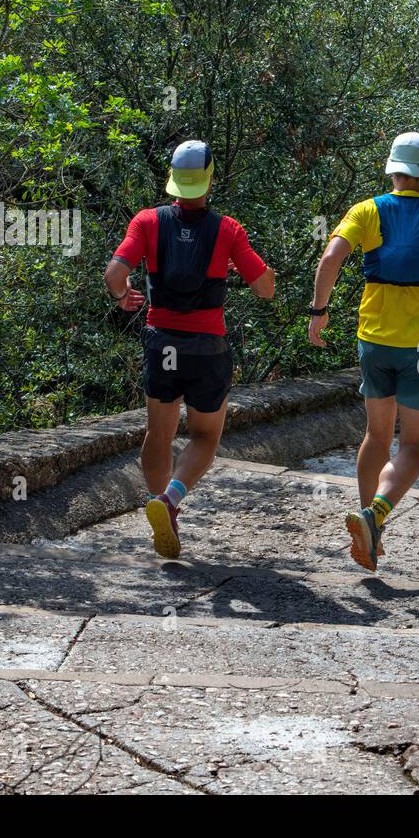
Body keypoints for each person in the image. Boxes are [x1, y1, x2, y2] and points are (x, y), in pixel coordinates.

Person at [308, 131, 419, 571]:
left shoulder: (366, 210)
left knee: (376, 435)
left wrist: (319, 311)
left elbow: (330, 258)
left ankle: (372, 531)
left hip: (373, 337)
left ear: (391, 169)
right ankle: (376, 515)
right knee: (414, 446)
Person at [103, 139, 274, 558]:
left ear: (173, 181)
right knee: (204, 437)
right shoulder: (228, 230)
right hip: (206, 348)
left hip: (161, 342)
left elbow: (113, 274)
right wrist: (247, 264)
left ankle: (161, 503)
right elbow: (266, 289)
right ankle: (170, 500)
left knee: (158, 433)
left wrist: (122, 295)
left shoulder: (147, 222)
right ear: (209, 179)